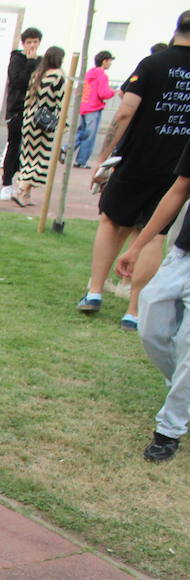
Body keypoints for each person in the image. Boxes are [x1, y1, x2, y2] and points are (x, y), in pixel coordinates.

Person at [80, 16, 190, 330]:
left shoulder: (154, 64)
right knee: (155, 233)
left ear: (175, 31)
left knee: (111, 219)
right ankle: (133, 310)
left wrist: (104, 156)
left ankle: (95, 291)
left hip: (137, 160)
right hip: (178, 168)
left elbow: (126, 110)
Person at [114, 145, 190, 463]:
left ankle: (168, 431)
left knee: (188, 345)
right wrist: (138, 245)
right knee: (150, 327)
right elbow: (178, 190)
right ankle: (183, 392)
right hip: (183, 255)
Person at [11, 46, 66, 209]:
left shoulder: (37, 75)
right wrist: (63, 123)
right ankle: (21, 190)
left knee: (27, 157)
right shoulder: (58, 76)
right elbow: (61, 100)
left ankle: (24, 193)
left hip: (30, 119)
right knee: (40, 159)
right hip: (46, 121)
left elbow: (28, 99)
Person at [0, 27, 41, 201]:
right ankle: (7, 183)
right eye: (29, 42)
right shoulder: (17, 59)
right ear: (23, 43)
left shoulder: (41, 60)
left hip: (33, 110)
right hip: (16, 109)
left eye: (35, 42)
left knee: (27, 148)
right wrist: (29, 62)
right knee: (14, 145)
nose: (32, 45)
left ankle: (7, 177)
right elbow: (19, 81)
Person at [74, 51, 116, 168]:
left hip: (84, 106)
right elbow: (103, 93)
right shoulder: (102, 76)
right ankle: (81, 161)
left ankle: (66, 148)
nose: (110, 63)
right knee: (89, 136)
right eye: (110, 61)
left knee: (81, 132)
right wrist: (113, 92)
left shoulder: (89, 73)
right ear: (104, 61)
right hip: (94, 108)